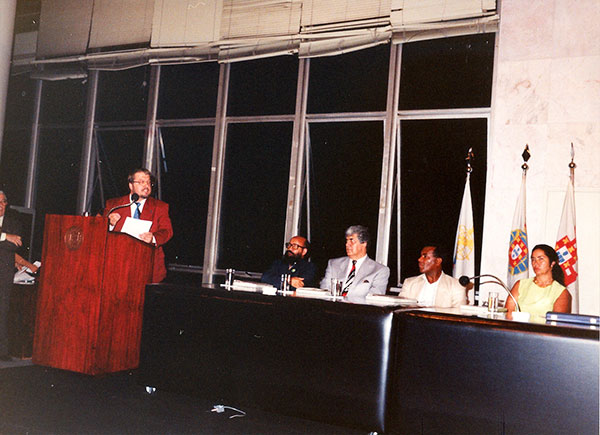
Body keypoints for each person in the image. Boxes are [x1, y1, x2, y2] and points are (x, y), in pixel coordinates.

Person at [103, 168, 173, 283]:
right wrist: (109, 224)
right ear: (131, 185)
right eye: (141, 182)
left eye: (149, 182)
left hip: (148, 267)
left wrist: (153, 238)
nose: (146, 186)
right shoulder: (114, 205)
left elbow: (167, 231)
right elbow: (99, 230)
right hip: (118, 267)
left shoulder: (160, 207)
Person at [505, 244, 571, 321]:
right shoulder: (520, 285)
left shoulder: (561, 292)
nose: (536, 263)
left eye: (541, 259)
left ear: (552, 263)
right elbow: (508, 314)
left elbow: (556, 323)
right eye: (533, 259)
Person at [320, 225, 389, 298]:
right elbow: (324, 291)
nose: (347, 245)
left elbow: (373, 299)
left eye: (351, 241)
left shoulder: (379, 270)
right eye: (347, 241)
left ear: (364, 243)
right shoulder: (333, 264)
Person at [399, 245, 467, 308]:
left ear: (438, 261)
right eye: (420, 256)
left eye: (425, 256)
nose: (419, 259)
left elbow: (458, 313)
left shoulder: (456, 286)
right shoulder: (409, 283)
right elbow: (400, 309)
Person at [0, 191, 22, 361]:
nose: (1, 205)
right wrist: (5, 236)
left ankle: (2, 351)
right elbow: (8, 243)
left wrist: (6, 240)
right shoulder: (8, 232)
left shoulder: (13, 223)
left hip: (3, 273)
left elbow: (14, 246)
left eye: (3, 202)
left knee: (2, 310)